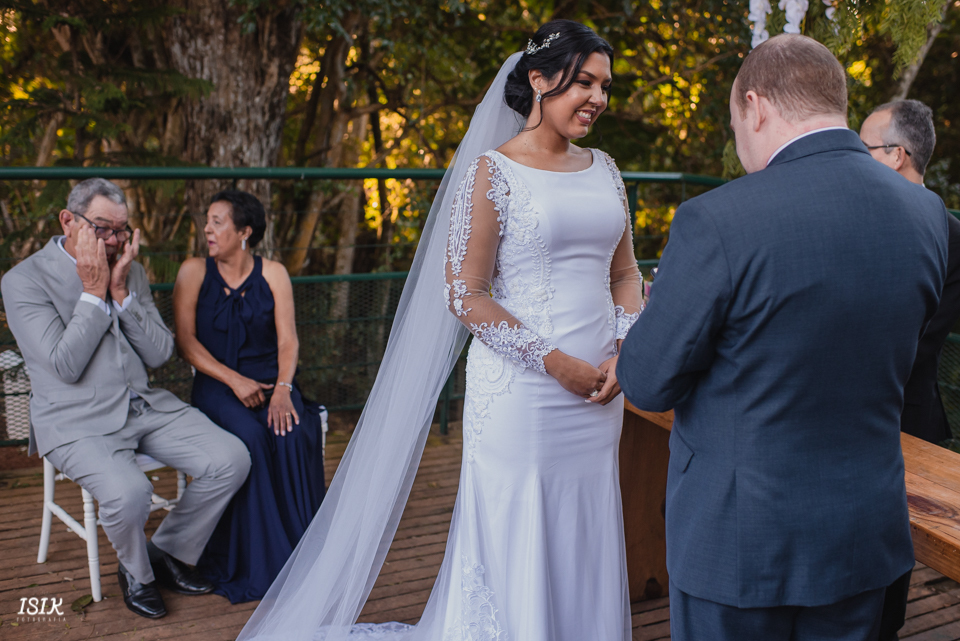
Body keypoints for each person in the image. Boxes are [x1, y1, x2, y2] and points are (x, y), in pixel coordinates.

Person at [237, 20, 643, 641]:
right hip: (523, 396)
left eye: (605, 86)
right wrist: (552, 360)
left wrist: (625, 347)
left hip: (600, 395)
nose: (597, 98)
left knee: (585, 521)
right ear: (538, 80)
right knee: (520, 526)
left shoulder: (606, 169)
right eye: (583, 82)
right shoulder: (492, 173)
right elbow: (464, 294)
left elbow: (624, 274)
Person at [617, 35, 948, 641]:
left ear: (755, 105)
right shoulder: (927, 217)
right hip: (863, 535)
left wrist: (657, 308)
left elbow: (646, 380)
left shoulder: (716, 219)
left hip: (740, 544)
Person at [0, 178, 251, 619]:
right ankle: (137, 572)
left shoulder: (130, 269)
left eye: (122, 230)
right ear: (68, 221)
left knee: (231, 458)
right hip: (74, 420)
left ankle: (166, 552)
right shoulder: (23, 281)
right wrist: (94, 293)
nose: (114, 241)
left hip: (143, 405)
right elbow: (64, 366)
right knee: (130, 493)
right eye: (102, 228)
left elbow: (159, 353)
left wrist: (121, 295)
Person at [172, 190, 326, 603]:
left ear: (244, 232)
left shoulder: (273, 273)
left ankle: (300, 555)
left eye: (217, 221)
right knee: (251, 440)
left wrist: (282, 389)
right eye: (208, 220)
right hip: (217, 386)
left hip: (273, 382)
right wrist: (235, 381)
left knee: (293, 431)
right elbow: (186, 343)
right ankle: (256, 562)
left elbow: (288, 341)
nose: (207, 228)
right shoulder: (193, 272)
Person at [861, 100, 960, 641]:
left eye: (863, 149)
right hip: (845, 415)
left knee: (887, 587)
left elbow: (921, 339)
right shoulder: (855, 217)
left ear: (896, 155)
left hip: (905, 416)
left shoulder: (950, 233)